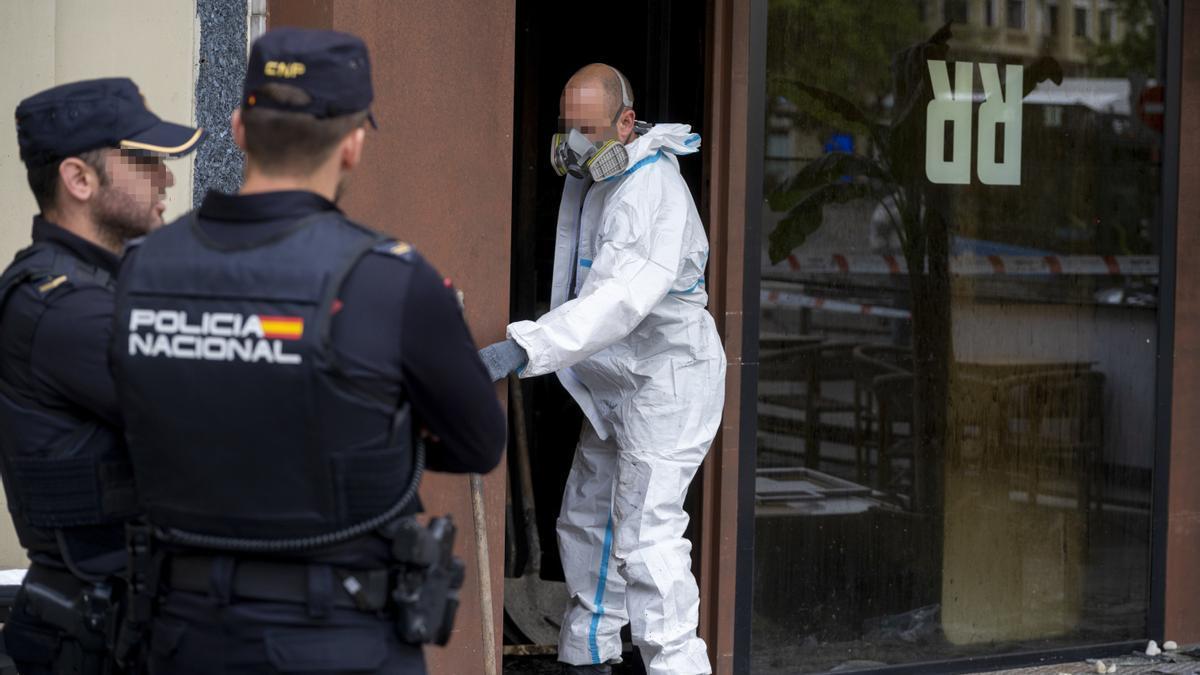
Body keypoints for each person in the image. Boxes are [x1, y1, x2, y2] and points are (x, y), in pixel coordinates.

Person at [109, 28, 506, 674]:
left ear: (237, 127)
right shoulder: (392, 281)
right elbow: (478, 443)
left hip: (179, 637)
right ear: (352, 145)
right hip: (339, 640)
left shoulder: (140, 268)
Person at [478, 64, 725, 675]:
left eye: (588, 128)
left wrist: (524, 346)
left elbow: (618, 300)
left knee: (648, 540)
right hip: (618, 382)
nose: (576, 143)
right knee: (589, 521)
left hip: (667, 383)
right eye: (569, 128)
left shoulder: (650, 188)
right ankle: (587, 659)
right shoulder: (599, 177)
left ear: (625, 122)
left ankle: (676, 667)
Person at [0, 78, 203, 673]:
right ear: (79, 180)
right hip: (89, 642)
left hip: (133, 626)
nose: (166, 178)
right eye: (144, 161)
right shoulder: (56, 306)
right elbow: (211, 407)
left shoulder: (112, 285)